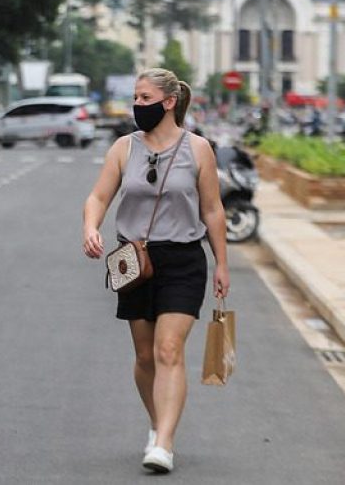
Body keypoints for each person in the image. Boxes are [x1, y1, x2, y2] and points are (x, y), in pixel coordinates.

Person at [82, 68, 229, 474]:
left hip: (183, 259)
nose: (137, 106)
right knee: (145, 356)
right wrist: (91, 226)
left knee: (169, 350)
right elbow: (98, 196)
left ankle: (164, 442)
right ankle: (156, 422)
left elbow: (213, 210)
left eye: (145, 99)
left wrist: (222, 263)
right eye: (135, 98)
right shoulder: (123, 149)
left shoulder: (198, 149)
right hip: (134, 260)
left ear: (168, 102)